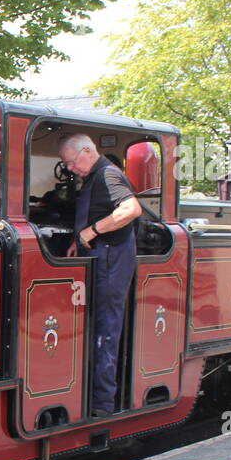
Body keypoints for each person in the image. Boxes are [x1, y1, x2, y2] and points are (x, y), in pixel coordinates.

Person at [58, 134, 143, 416]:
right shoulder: (94, 177)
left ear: (86, 151)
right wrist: (77, 241)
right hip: (100, 256)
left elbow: (131, 209)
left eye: (70, 163)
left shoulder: (107, 175)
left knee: (106, 330)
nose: (70, 169)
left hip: (110, 259)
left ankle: (102, 405)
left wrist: (91, 232)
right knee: (97, 327)